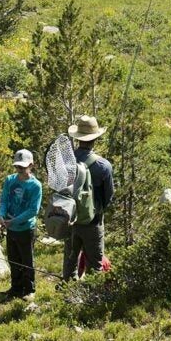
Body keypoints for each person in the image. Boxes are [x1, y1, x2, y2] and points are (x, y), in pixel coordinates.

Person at [62, 115, 114, 281]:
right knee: (95, 264)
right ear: (95, 139)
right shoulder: (103, 166)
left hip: (70, 220)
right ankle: (91, 300)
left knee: (70, 260)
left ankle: (66, 295)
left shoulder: (67, 162)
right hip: (93, 221)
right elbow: (108, 196)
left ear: (78, 138)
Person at [0, 148, 43, 299]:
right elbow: (4, 200)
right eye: (17, 167)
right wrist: (2, 215)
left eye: (23, 167)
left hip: (25, 228)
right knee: (13, 258)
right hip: (11, 226)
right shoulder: (10, 180)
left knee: (26, 259)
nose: (20, 169)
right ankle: (16, 288)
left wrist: (14, 221)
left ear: (31, 165)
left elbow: (33, 210)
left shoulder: (35, 186)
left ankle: (29, 290)